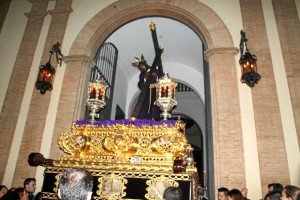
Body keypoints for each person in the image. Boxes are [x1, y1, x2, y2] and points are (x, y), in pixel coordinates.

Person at [132, 55, 163, 120]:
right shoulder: (142, 74)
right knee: (144, 107)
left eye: (142, 65)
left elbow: (161, 79)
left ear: (145, 64)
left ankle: (154, 119)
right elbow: (140, 84)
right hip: (146, 93)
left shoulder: (155, 70)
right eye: (140, 67)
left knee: (154, 106)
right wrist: (145, 79)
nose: (142, 67)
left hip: (154, 91)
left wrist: (156, 76)